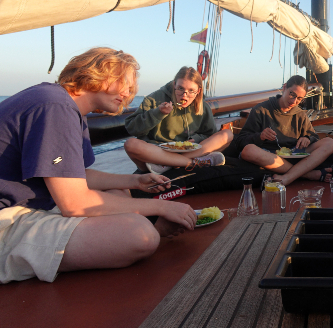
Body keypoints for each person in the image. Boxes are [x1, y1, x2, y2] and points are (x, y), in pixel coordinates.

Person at [0, 47, 198, 284]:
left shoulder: (66, 106)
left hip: (34, 204)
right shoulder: (55, 108)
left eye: (131, 88)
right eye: (123, 83)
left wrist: (133, 181)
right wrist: (160, 209)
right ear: (97, 73)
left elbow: (76, 175)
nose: (127, 93)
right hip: (7, 221)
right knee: (140, 234)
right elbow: (74, 203)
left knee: (118, 193)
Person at [124, 67, 232, 174]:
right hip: (159, 152)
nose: (184, 95)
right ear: (174, 84)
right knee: (131, 144)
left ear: (198, 91)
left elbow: (210, 135)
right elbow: (132, 129)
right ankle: (191, 163)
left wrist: (196, 139)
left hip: (189, 151)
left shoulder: (202, 106)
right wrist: (158, 113)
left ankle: (171, 164)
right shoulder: (153, 99)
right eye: (180, 88)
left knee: (227, 134)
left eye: (191, 91)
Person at [237, 75, 333, 186]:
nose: (294, 101)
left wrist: (307, 138)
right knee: (249, 151)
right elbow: (241, 141)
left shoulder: (300, 115)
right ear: (284, 88)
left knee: (330, 143)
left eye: (299, 99)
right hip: (269, 157)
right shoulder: (261, 110)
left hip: (294, 155)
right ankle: (308, 174)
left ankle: (288, 177)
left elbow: (314, 136)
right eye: (292, 94)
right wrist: (260, 136)